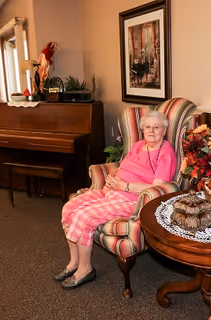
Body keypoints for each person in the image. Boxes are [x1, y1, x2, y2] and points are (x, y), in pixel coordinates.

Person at [55, 111, 176, 289]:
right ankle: (74, 262)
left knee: (84, 216)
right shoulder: (137, 146)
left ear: (164, 130)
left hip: (131, 199)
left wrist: (124, 186)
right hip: (111, 191)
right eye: (147, 127)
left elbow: (157, 188)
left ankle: (85, 269)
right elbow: (123, 166)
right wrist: (113, 176)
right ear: (142, 129)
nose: (151, 131)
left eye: (156, 127)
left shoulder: (165, 152)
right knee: (68, 208)